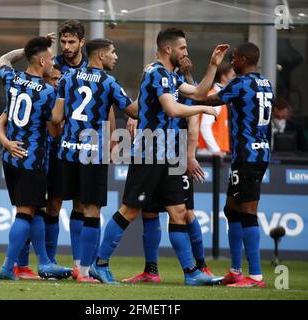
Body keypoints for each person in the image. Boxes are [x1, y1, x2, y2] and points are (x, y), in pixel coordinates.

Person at [89, 28, 229, 285]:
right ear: (169, 49)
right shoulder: (155, 73)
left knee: (178, 211)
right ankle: (99, 264)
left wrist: (212, 66)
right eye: (183, 48)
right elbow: (172, 109)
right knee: (130, 210)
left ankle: (191, 274)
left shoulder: (169, 76)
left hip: (169, 155)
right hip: (150, 152)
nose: (185, 53)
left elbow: (199, 92)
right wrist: (204, 109)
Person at [122, 56, 217, 284]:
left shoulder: (182, 85)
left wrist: (189, 156)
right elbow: (145, 103)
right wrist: (136, 114)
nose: (184, 55)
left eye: (186, 50)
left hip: (177, 156)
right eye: (181, 49)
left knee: (186, 213)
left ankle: (201, 267)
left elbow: (193, 120)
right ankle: (151, 270)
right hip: (156, 154)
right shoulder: (161, 77)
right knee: (150, 213)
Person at [51, 38, 138, 283]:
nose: (116, 56)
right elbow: (133, 111)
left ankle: (77, 265)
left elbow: (56, 116)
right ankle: (87, 272)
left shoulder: (67, 78)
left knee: (76, 206)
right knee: (92, 210)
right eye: (113, 52)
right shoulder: (109, 82)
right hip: (92, 153)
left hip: (67, 151)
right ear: (100, 56)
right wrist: (152, 91)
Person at [194, 42, 273, 288]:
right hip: (256, 154)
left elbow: (205, 98)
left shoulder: (240, 84)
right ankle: (236, 271)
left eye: (234, 59)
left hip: (248, 156)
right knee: (232, 210)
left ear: (240, 59)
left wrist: (181, 87)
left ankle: (256, 276)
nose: (232, 63)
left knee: (247, 213)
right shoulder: (266, 83)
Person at [0, 36, 71, 280]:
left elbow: (4, 59)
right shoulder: (48, 92)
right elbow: (56, 121)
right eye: (48, 59)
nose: (51, 63)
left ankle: (45, 262)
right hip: (32, 159)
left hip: (12, 157)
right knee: (25, 213)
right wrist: (64, 90)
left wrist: (27, 48)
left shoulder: (12, 78)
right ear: (40, 61)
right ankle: (7, 267)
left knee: (37, 209)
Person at [198, 61, 234, 156]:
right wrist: (215, 150)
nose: (234, 79)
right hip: (210, 154)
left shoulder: (218, 96)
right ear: (223, 77)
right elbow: (205, 126)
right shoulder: (215, 97)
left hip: (214, 152)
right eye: (232, 76)